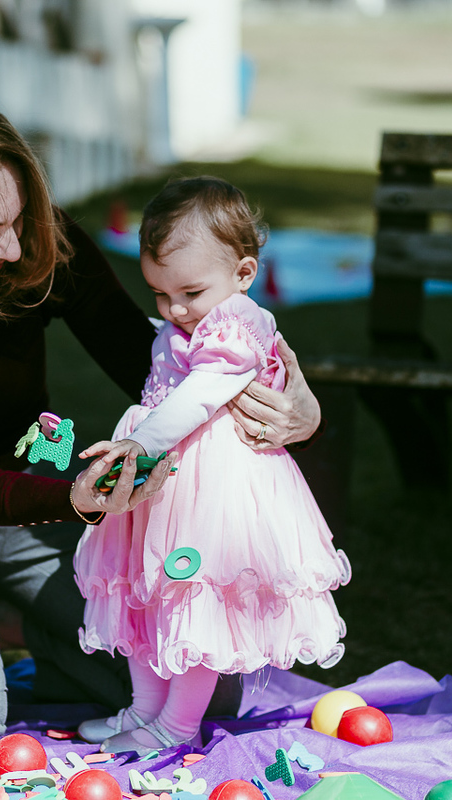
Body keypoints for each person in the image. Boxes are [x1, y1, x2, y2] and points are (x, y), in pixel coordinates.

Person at [0, 94, 325, 746]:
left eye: (19, 218)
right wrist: (75, 499)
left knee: (204, 687)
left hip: (32, 496)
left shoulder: (39, 247)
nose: (14, 245)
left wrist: (295, 402)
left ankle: (8, 619)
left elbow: (152, 363)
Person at [73, 177, 351, 756]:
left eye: (189, 293)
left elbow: (202, 394)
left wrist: (138, 444)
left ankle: (174, 727)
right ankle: (144, 712)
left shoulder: (238, 326)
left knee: (197, 602)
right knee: (144, 595)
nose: (175, 309)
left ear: (244, 274)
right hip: (167, 486)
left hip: (213, 489)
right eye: (159, 294)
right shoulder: (188, 323)